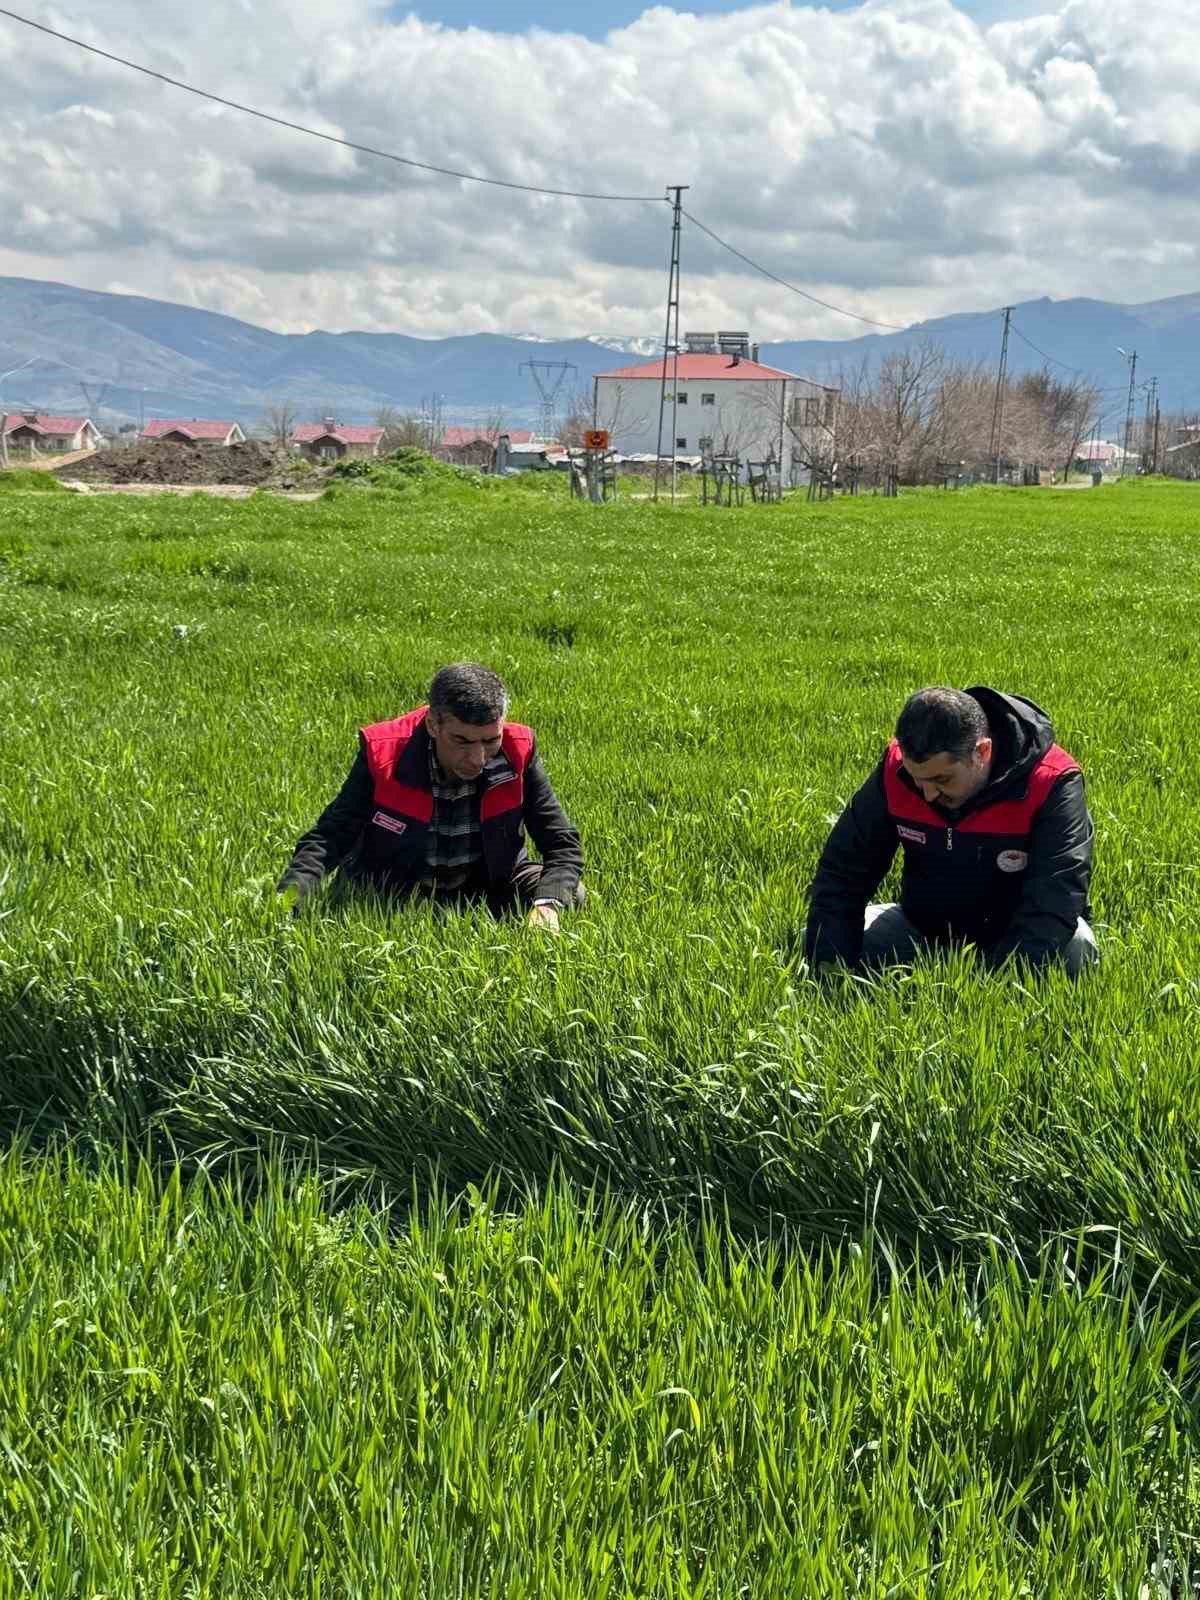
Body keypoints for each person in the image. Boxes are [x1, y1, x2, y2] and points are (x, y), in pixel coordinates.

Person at [805, 686, 1097, 976]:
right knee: (821, 937)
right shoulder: (897, 768)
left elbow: (1057, 893)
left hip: (1014, 932)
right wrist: (830, 968)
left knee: (1076, 950)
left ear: (982, 752)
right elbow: (845, 869)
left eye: (942, 779)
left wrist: (1005, 989)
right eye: (917, 780)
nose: (928, 794)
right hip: (921, 928)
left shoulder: (1051, 780)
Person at [278, 663, 584, 930]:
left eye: (491, 740)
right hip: (394, 890)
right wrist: (289, 900)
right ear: (433, 724)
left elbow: (561, 842)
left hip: (486, 887)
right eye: (461, 741)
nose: (477, 758)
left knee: (572, 894)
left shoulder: (519, 751)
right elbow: (330, 837)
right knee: (352, 907)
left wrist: (546, 906)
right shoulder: (383, 752)